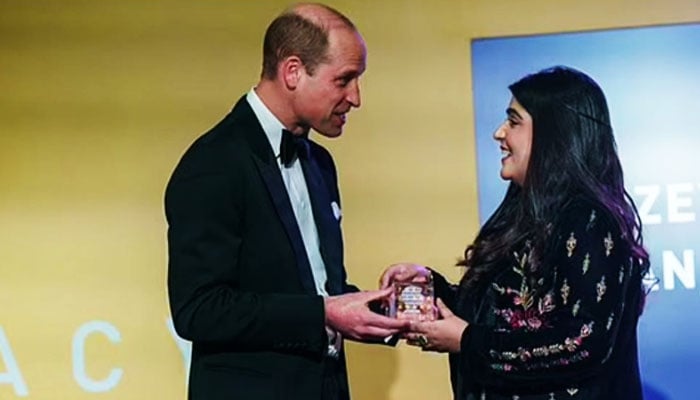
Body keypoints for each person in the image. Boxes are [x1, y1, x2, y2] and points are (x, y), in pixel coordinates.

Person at [165, 4, 408, 400]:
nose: (356, 98)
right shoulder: (213, 164)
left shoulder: (319, 163)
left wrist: (389, 306)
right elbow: (199, 309)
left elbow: (314, 286)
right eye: (344, 79)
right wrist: (324, 314)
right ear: (293, 71)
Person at [381, 66, 650, 400]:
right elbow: (508, 316)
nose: (498, 133)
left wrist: (467, 341)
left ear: (555, 134)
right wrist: (433, 290)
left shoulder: (590, 220)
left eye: (513, 121)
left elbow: (582, 340)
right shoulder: (521, 214)